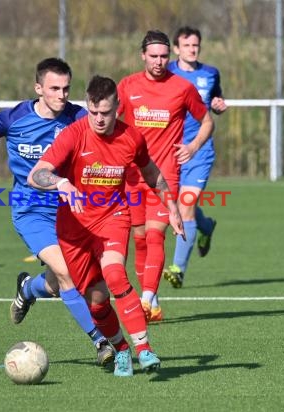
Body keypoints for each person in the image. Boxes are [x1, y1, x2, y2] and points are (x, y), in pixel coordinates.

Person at [27, 75, 185, 376]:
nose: (99, 119)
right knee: (97, 303)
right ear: (87, 106)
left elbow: (151, 173)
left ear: (117, 109)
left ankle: (144, 349)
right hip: (73, 229)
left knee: (115, 274)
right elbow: (37, 174)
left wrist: (172, 206)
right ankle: (122, 348)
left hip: (112, 217)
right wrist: (61, 182)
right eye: (94, 112)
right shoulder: (73, 135)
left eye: (106, 113)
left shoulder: (131, 137)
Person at [0, 57, 114, 366]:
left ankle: (28, 288)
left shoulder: (79, 117)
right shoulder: (15, 117)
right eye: (54, 89)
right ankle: (100, 341)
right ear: (39, 88)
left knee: (65, 277)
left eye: (66, 88)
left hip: (72, 211)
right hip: (31, 209)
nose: (62, 95)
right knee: (67, 274)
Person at [117, 30, 214, 320]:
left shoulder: (182, 87)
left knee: (156, 235)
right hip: (132, 176)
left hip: (166, 176)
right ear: (143, 56)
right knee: (140, 240)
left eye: (164, 56)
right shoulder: (128, 86)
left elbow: (206, 120)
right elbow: (106, 121)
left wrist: (193, 146)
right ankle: (154, 302)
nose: (159, 61)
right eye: (154, 56)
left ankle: (145, 301)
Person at [162, 26, 227, 288]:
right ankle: (206, 227)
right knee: (178, 205)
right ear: (176, 49)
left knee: (184, 206)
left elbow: (215, 102)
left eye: (195, 46)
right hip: (171, 151)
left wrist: (218, 106)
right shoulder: (167, 75)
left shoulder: (210, 73)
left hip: (199, 152)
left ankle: (178, 269)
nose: (192, 49)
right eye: (187, 46)